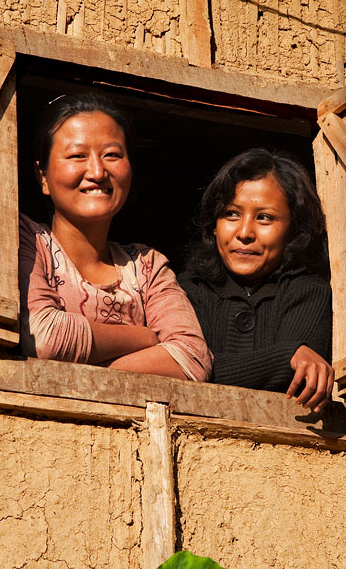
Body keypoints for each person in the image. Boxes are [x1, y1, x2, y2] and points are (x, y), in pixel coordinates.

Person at [19, 92, 211, 381]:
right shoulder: (29, 240)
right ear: (42, 176)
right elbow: (45, 337)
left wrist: (82, 374)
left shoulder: (148, 267)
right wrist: (145, 338)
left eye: (112, 155)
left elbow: (192, 359)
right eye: (77, 156)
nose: (97, 171)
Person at [181, 148, 334, 412]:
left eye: (264, 217)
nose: (244, 232)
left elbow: (298, 379)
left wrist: (212, 366)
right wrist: (287, 356)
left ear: (293, 230)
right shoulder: (186, 291)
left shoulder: (308, 292)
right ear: (214, 225)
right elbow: (180, 367)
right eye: (231, 214)